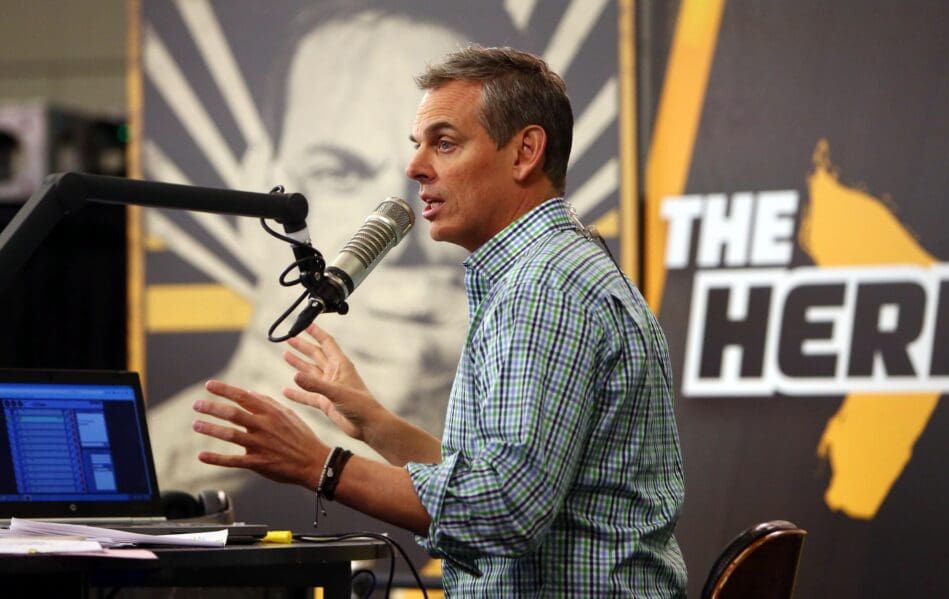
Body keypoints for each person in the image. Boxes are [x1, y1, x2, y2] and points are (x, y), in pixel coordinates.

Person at [192, 46, 687, 596]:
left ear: (525, 151)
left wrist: (320, 465)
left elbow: (504, 508)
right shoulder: (545, 272)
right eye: (419, 144)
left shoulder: (542, 289)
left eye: (444, 143)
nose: (415, 168)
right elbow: (492, 478)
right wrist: (375, 425)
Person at [148, 5, 473, 493]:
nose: (399, 225)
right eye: (338, 173)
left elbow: (501, 506)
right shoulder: (161, 452)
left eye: (439, 164)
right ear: (260, 184)